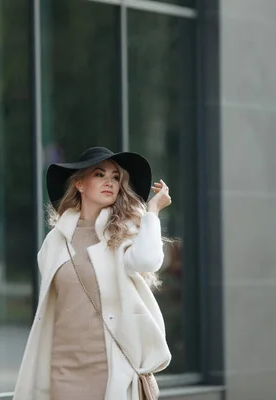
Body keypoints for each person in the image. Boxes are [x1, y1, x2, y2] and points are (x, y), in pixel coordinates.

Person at [13, 146, 172, 400]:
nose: (109, 182)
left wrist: (152, 212)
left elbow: (148, 260)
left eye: (115, 177)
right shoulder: (56, 241)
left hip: (110, 367)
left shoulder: (122, 233)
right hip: (62, 369)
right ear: (79, 184)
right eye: (99, 175)